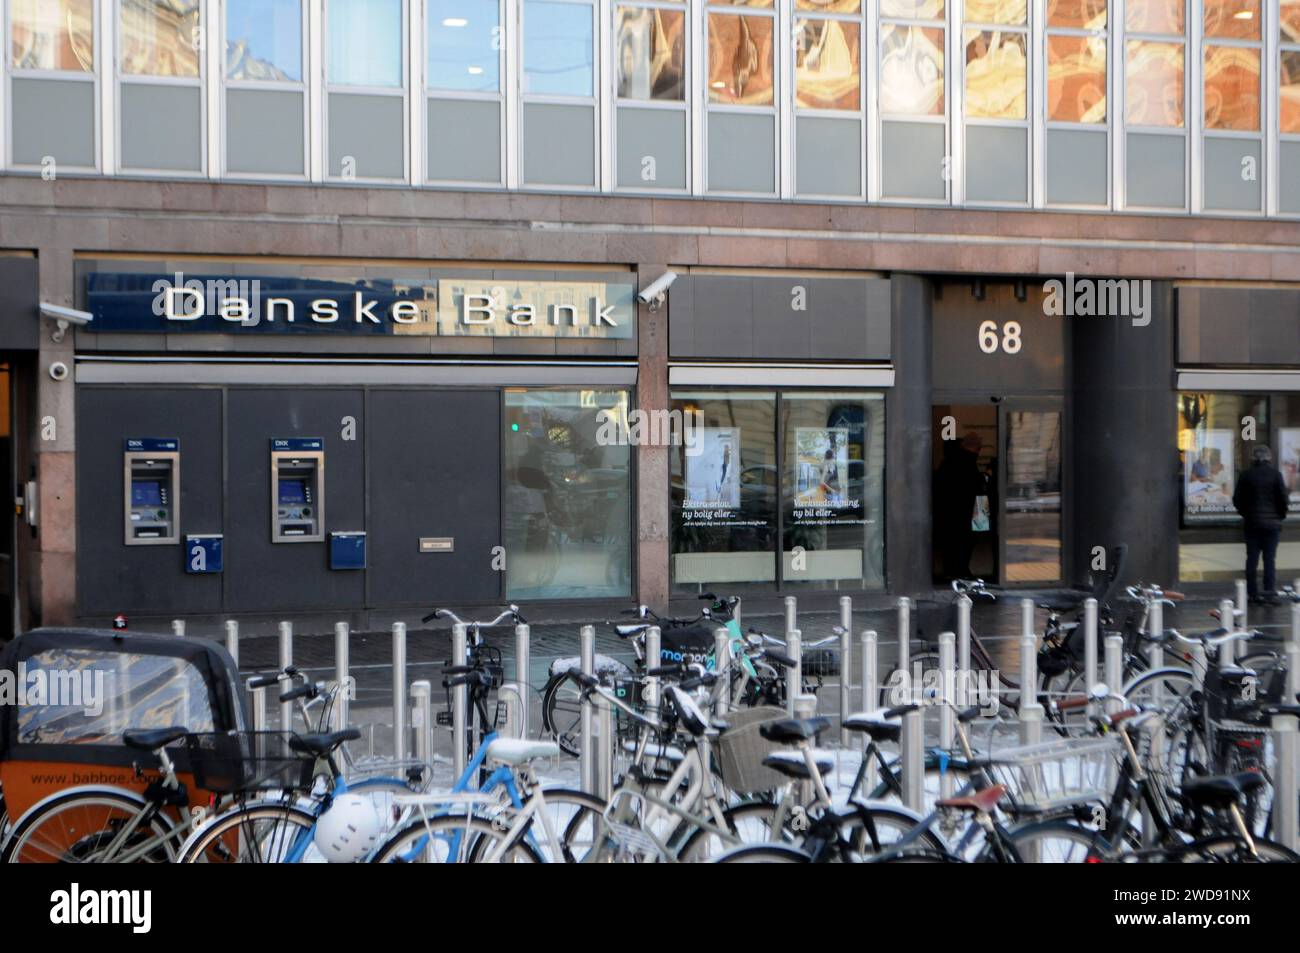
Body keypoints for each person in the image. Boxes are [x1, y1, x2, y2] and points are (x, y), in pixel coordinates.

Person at [1232, 445, 1290, 605]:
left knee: (1252, 559)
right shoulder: (1275, 475)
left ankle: (1252, 594)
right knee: (1270, 559)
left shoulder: (1246, 475)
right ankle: (1269, 593)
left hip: (1252, 523)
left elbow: (1237, 499)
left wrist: (1246, 513)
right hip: (1272, 525)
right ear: (1269, 458)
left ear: (1253, 458)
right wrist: (1279, 516)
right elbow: (1283, 499)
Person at [934, 432, 985, 581]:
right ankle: (960, 571)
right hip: (967, 510)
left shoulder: (948, 462)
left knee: (952, 541)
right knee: (965, 541)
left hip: (950, 511)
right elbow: (976, 489)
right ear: (977, 448)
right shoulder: (969, 463)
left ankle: (952, 571)